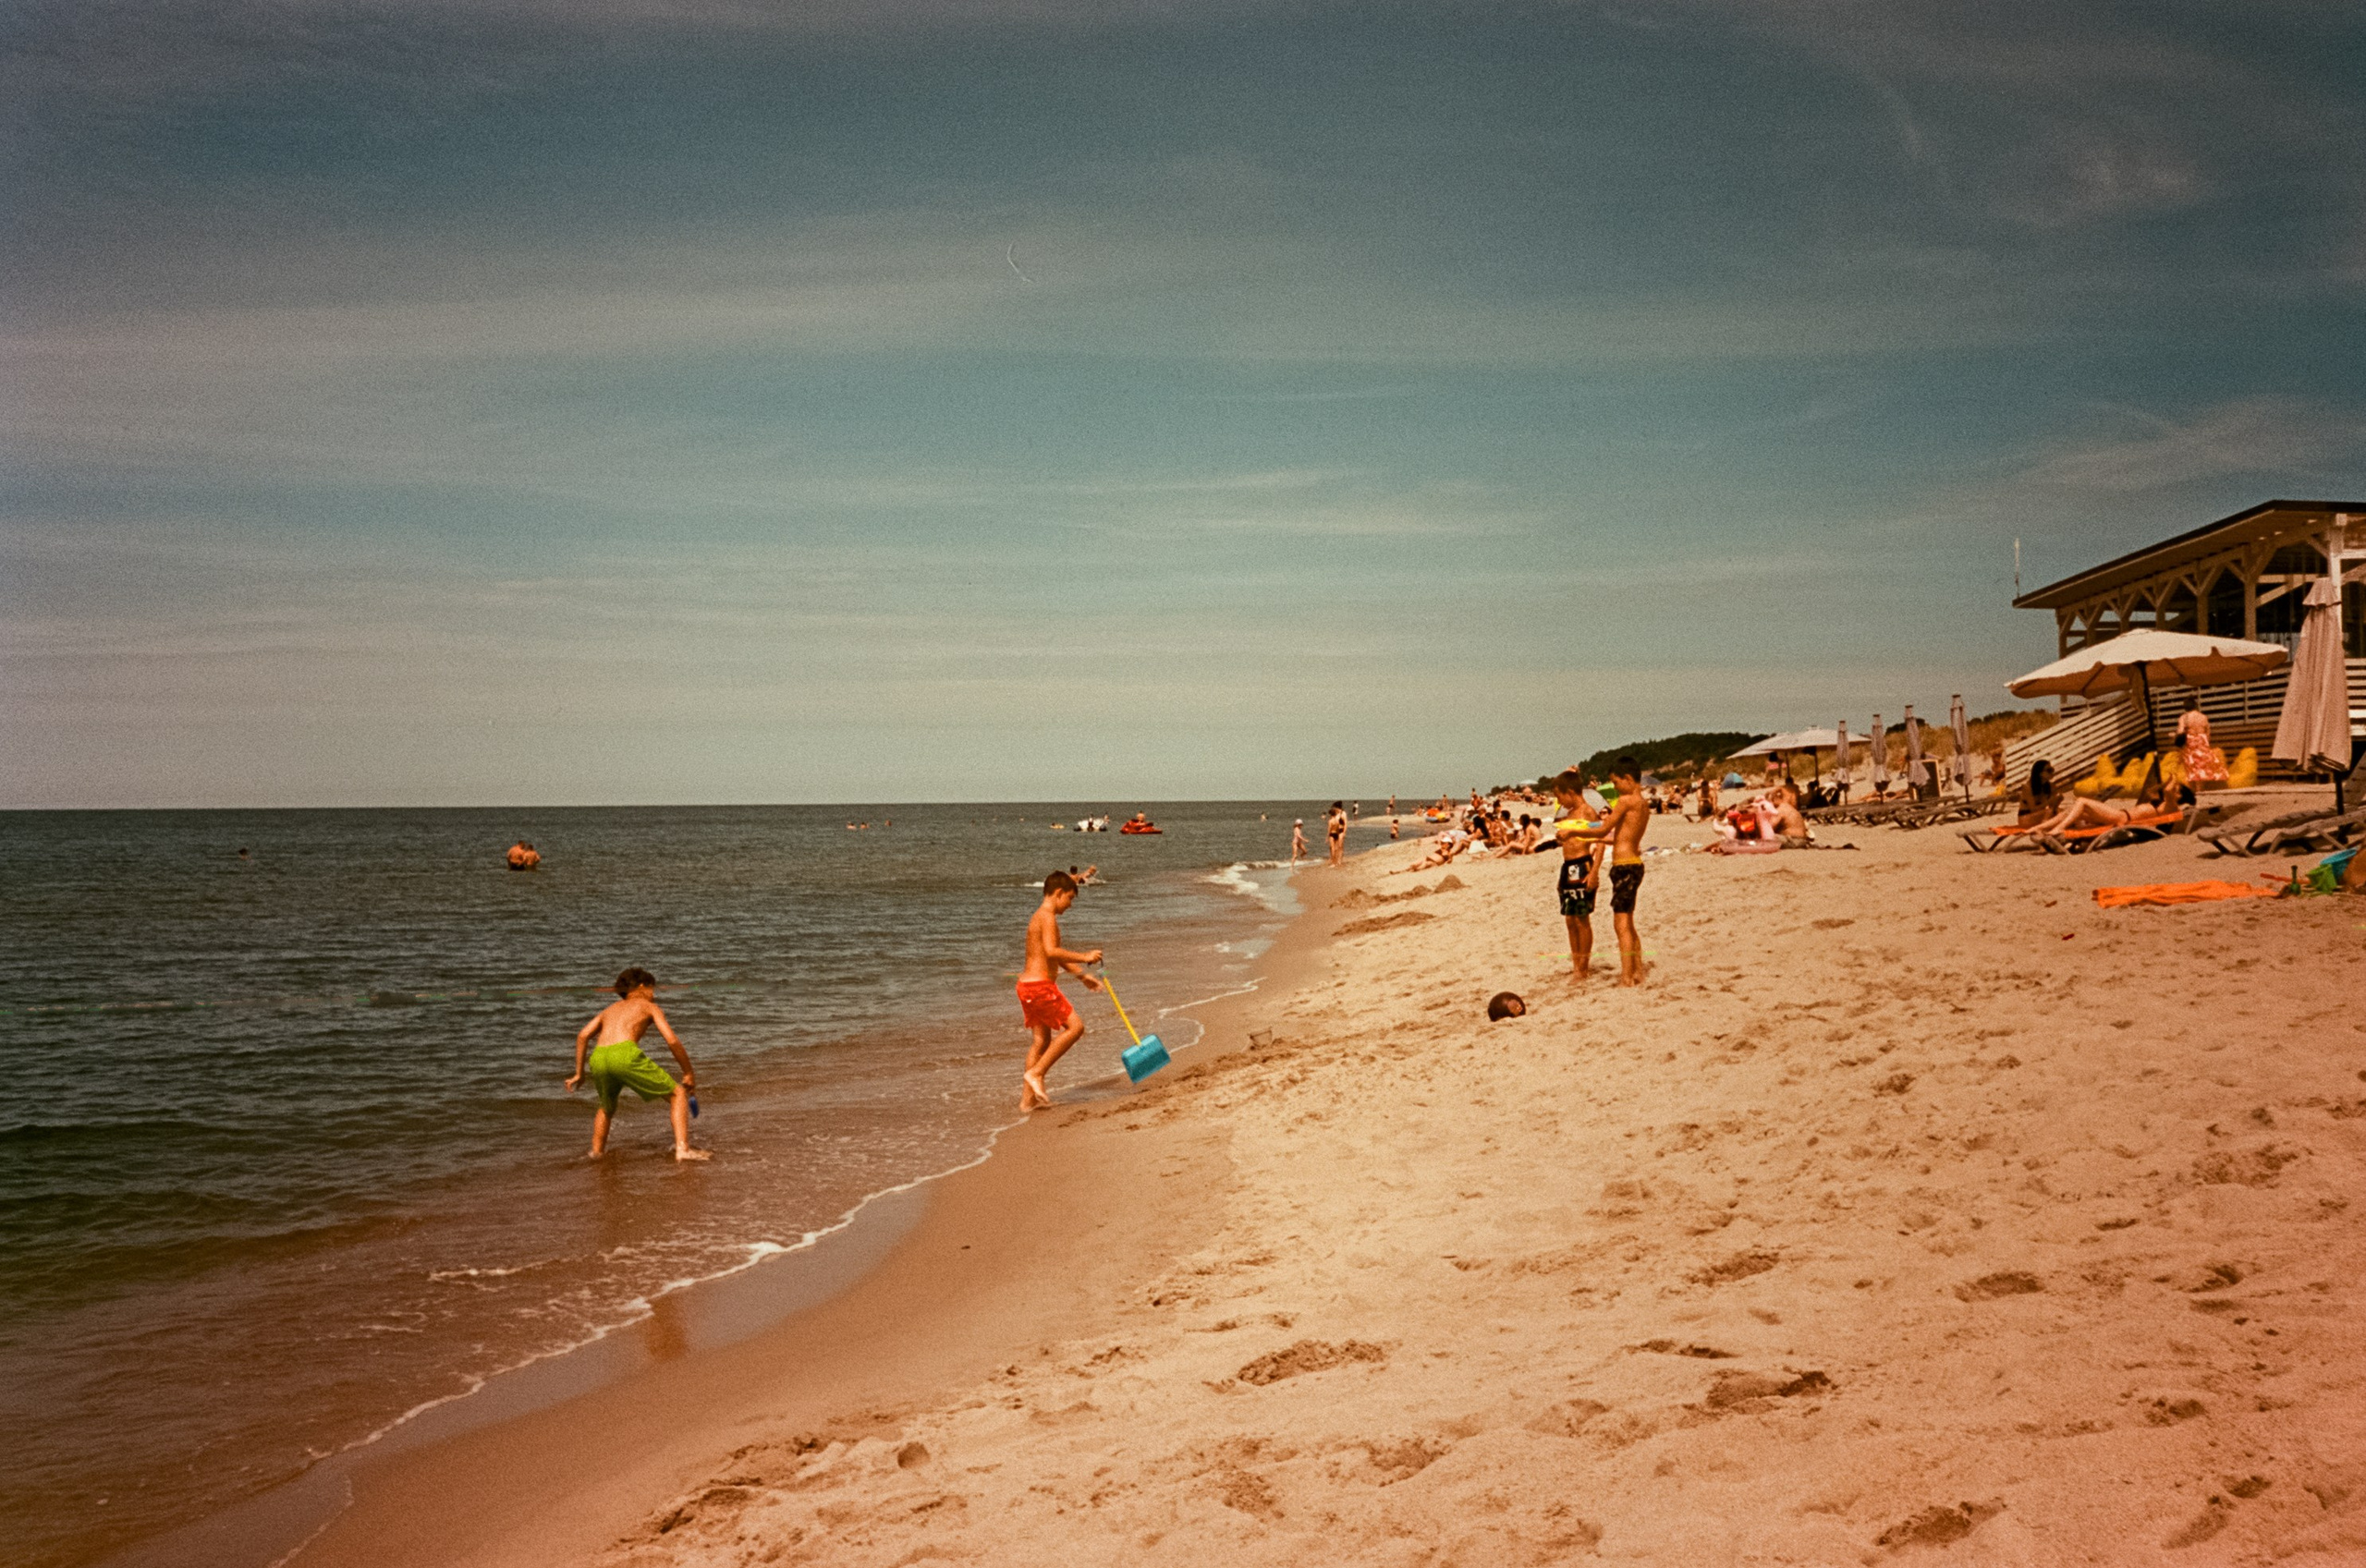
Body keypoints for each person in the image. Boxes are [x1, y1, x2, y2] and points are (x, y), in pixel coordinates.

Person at [566, 967, 708, 1161]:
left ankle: (596, 1153)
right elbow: (672, 1040)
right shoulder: (649, 1007)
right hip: (625, 1055)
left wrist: (579, 1073)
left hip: (598, 1057)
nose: (654, 994)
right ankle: (683, 1150)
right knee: (678, 1093)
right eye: (652, 989)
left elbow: (582, 1035)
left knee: (606, 1108)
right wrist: (688, 1072)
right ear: (642, 986)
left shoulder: (609, 1010)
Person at [1016, 869, 1103, 1111]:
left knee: (1041, 1042)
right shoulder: (1048, 918)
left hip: (1026, 987)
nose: (1070, 905)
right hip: (1041, 987)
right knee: (1076, 1027)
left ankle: (1027, 1102)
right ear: (1058, 893)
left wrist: (1083, 976)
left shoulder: (1038, 917)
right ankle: (1038, 1073)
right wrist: (1085, 956)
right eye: (1070, 899)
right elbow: (1053, 951)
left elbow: (1051, 954)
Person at [1564, 758, 1651, 988]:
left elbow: (1603, 827)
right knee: (1629, 922)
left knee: (1620, 924)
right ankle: (1637, 971)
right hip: (1635, 864)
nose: (1614, 787)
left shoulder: (1625, 800)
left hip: (1624, 866)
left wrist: (1572, 830)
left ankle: (1626, 977)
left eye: (1615, 782)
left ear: (1628, 779)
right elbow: (1619, 834)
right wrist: (1583, 832)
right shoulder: (1643, 804)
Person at [1550, 771, 1601, 980]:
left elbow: (1600, 841)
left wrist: (1594, 872)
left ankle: (1583, 966)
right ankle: (1576, 963)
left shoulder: (1587, 812)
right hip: (1568, 867)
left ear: (1570, 792)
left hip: (1582, 866)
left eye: (1560, 796)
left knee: (1581, 920)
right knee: (1570, 920)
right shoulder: (1570, 814)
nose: (1559, 801)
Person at [2177, 698, 2229, 786]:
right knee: (2203, 768)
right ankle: (2200, 790)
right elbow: (2208, 732)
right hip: (2202, 742)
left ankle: (2195, 791)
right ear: (2195, 705)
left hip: (2191, 744)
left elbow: (2180, 731)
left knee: (2193, 769)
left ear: (2185, 707)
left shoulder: (2184, 717)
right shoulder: (2203, 717)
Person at [2015, 760, 2059, 829]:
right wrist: (2050, 801)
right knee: (2051, 812)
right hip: (2025, 818)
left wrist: (2057, 801)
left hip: (2041, 815)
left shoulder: (2051, 786)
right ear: (2040, 773)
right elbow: (2033, 809)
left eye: (2052, 770)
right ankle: (2042, 828)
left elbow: (2053, 807)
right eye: (2049, 770)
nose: (2052, 772)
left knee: (2062, 811)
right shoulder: (2027, 787)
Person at [1327, 802, 1348, 867]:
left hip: (1341, 831)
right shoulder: (1335, 814)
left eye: (1334, 807)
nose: (1334, 809)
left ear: (1337, 807)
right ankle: (1334, 860)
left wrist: (1344, 832)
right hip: (1336, 832)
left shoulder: (1343, 813)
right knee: (1335, 847)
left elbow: (1346, 823)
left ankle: (1340, 861)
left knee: (1340, 846)